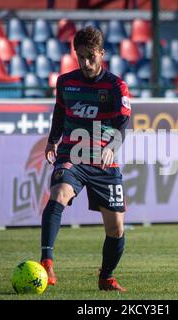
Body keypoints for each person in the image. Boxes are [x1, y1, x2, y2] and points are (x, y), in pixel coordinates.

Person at [40, 26, 131, 291]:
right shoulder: (66, 82)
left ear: (102, 53)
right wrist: (52, 140)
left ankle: (106, 276)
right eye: (80, 56)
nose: (86, 62)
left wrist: (112, 146)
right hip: (72, 155)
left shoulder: (116, 86)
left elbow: (124, 122)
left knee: (116, 230)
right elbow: (60, 112)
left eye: (91, 56)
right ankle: (46, 260)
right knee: (58, 195)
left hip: (104, 161)